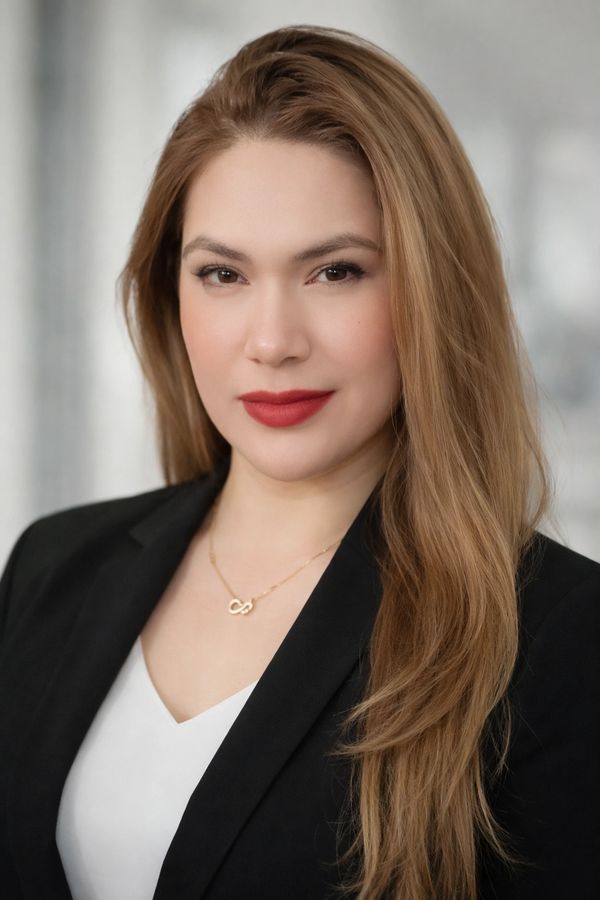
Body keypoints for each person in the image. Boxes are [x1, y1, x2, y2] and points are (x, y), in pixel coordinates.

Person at [0, 23, 598, 900]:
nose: (273, 341)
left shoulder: (559, 637)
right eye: (223, 275)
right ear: (171, 293)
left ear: (431, 291)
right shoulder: (51, 568)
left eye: (335, 272)